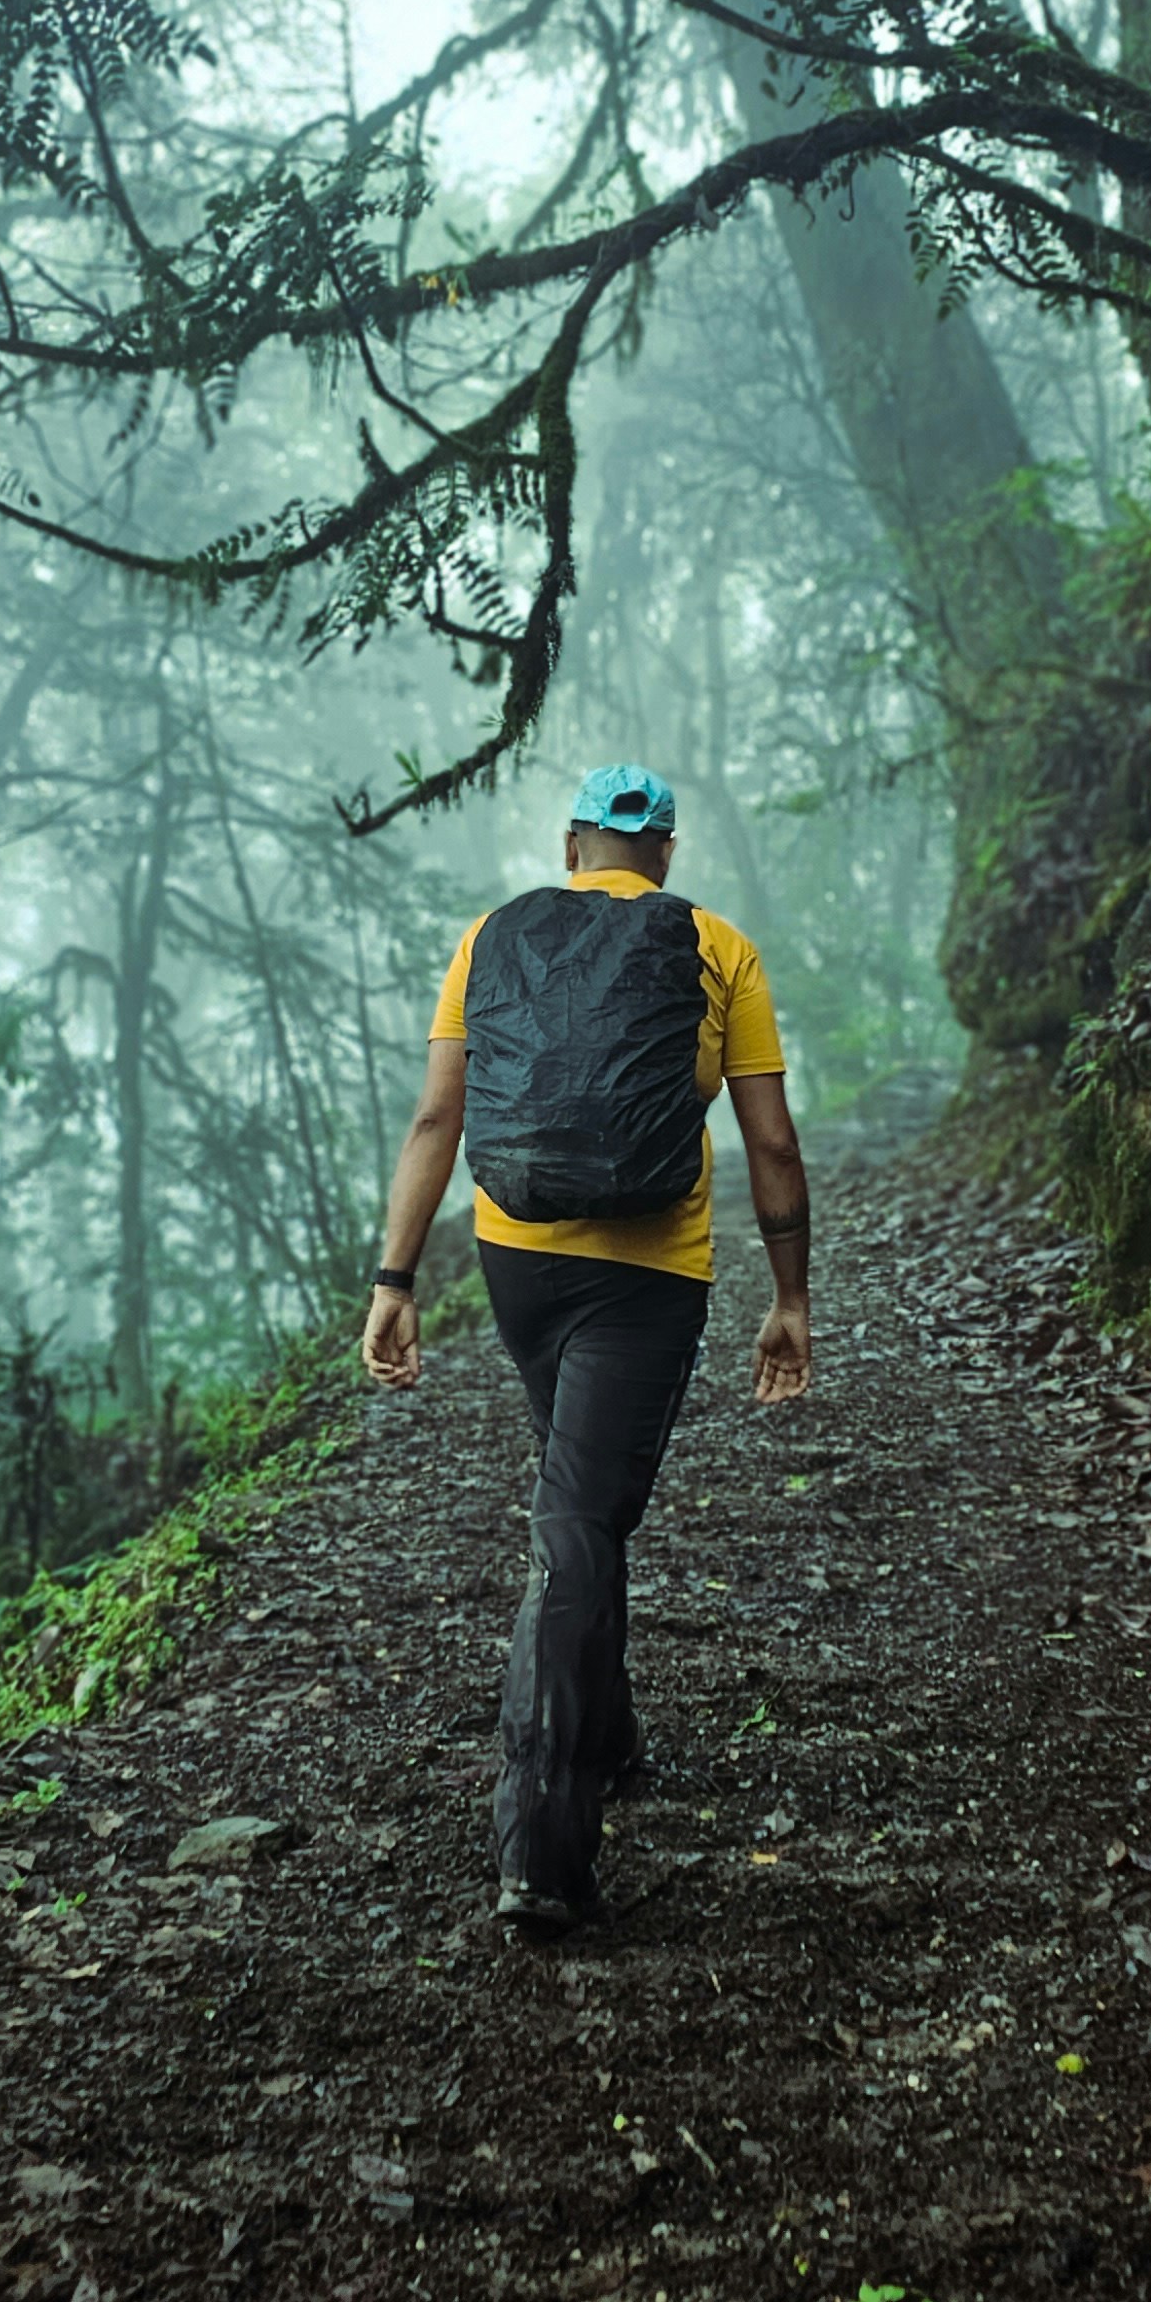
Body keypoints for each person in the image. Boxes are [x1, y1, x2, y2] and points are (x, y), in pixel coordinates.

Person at [361, 760, 813, 1931]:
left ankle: (603, 1740)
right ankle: (542, 1848)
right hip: (646, 1274)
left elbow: (435, 1117)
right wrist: (790, 1299)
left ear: (575, 846)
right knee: (576, 1525)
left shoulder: (489, 937)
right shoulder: (716, 946)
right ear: (661, 851)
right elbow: (770, 1143)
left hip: (515, 1258)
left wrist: (396, 1276)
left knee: (582, 1502)